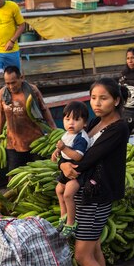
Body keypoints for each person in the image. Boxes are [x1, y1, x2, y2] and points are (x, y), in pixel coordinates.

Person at [71, 78, 128, 266]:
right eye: (93, 97)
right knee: (94, 250)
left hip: (98, 195)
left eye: (103, 98)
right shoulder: (95, 122)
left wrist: (68, 166)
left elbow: (89, 159)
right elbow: (79, 149)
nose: (96, 103)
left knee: (82, 254)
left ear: (116, 101)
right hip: (88, 193)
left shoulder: (118, 127)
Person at [0, 66, 55, 171]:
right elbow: (1, 115)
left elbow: (44, 110)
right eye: (7, 83)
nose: (10, 87)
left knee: (37, 173)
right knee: (14, 175)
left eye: (13, 82)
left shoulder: (32, 91)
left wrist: (53, 129)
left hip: (34, 141)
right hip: (13, 142)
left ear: (22, 78)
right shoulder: (2, 93)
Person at [51, 101, 91, 239]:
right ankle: (64, 214)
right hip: (66, 168)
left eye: (76, 119)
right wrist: (56, 151)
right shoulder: (67, 134)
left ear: (84, 123)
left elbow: (78, 156)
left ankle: (71, 223)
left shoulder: (81, 138)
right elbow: (63, 143)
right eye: (67, 119)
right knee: (59, 189)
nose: (71, 123)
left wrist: (63, 149)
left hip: (77, 172)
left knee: (68, 194)